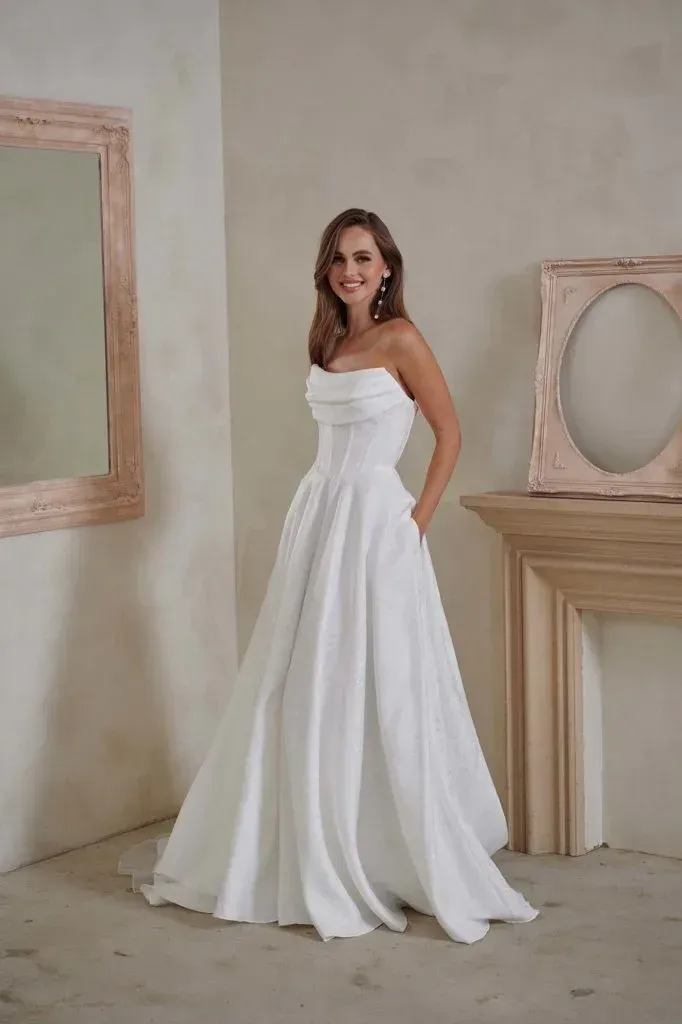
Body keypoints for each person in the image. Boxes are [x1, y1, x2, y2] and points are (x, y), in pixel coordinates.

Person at [119, 208, 537, 943]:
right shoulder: (329, 340)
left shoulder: (403, 339)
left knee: (381, 681)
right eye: (340, 257)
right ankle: (300, 838)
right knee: (303, 677)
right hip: (317, 518)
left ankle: (385, 845)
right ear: (329, 270)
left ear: (386, 269)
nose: (351, 269)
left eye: (364, 257)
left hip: (377, 522)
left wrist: (415, 524)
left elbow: (451, 433)